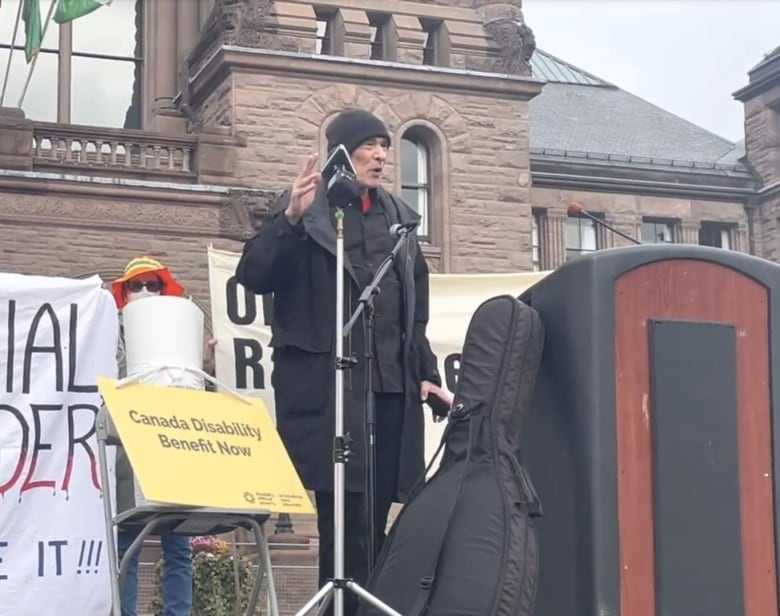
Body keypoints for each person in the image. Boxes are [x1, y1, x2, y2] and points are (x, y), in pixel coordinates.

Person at [235, 109, 452, 615]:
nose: (380, 156)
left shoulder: (399, 217)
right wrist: (288, 219)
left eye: (385, 146)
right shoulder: (306, 209)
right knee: (343, 515)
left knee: (375, 517)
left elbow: (411, 310)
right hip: (330, 389)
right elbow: (255, 274)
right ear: (341, 152)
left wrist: (425, 374)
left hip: (388, 389)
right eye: (368, 146)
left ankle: (367, 606)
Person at [110, 256, 215, 616]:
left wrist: (206, 365)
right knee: (128, 544)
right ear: (124, 293)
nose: (144, 291)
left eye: (151, 284)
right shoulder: (111, 338)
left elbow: (201, 403)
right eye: (136, 285)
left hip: (174, 452)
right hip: (130, 455)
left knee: (178, 545)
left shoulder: (179, 337)